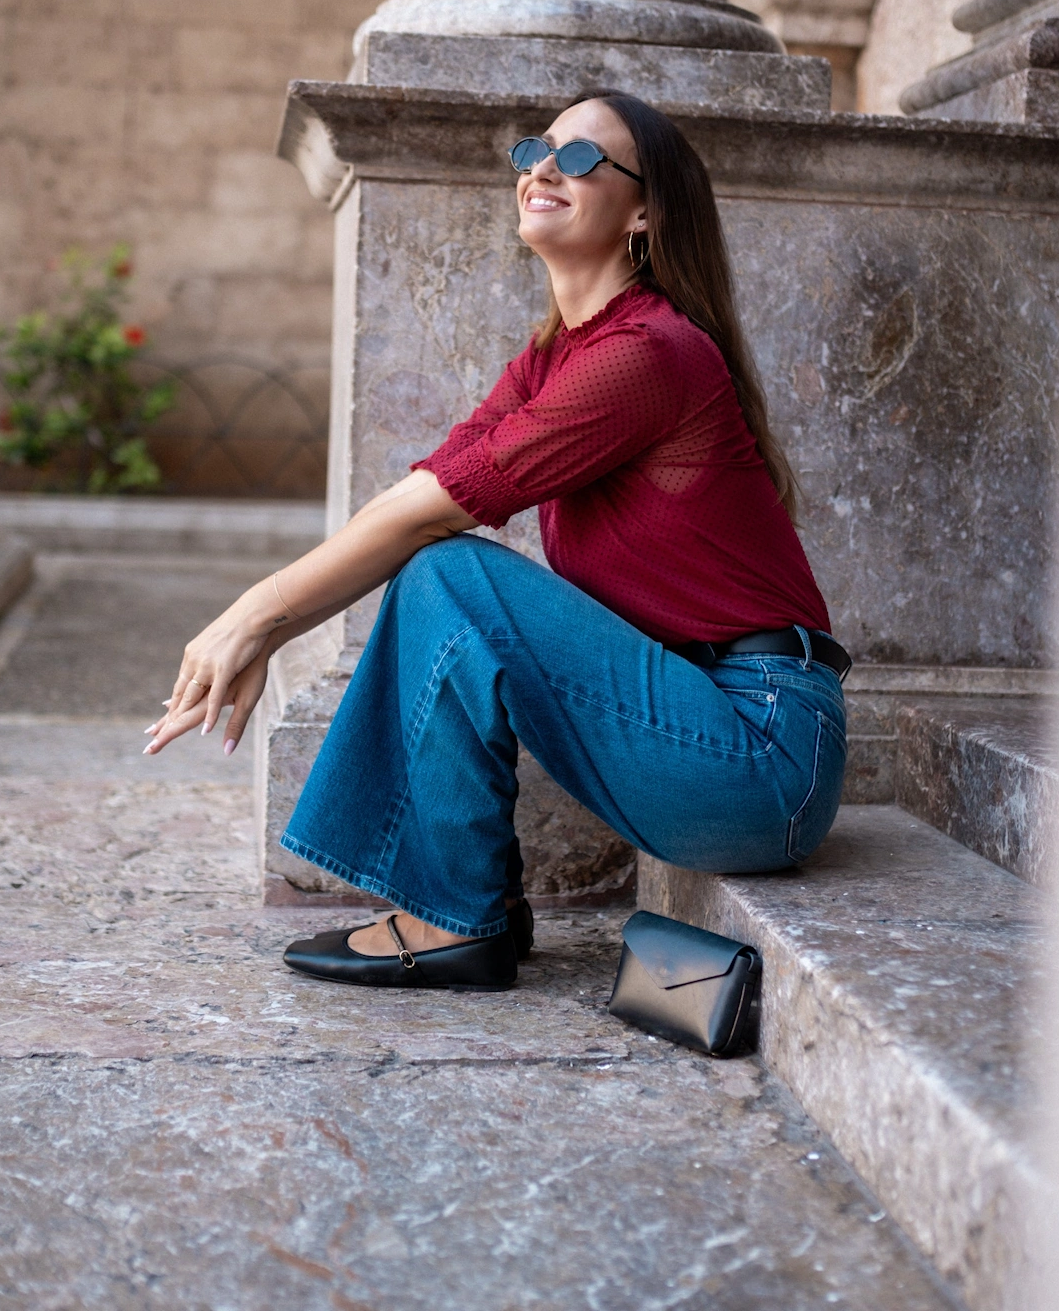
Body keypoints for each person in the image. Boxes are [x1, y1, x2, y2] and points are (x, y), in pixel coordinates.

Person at [144, 92, 848, 993]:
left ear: (645, 214)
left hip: (761, 752)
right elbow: (417, 497)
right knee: (442, 569)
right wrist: (263, 623)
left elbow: (431, 519)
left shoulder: (650, 354)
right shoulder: (560, 355)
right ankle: (471, 908)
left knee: (454, 573)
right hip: (703, 725)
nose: (543, 169)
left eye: (584, 159)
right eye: (535, 150)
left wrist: (255, 619)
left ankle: (452, 917)